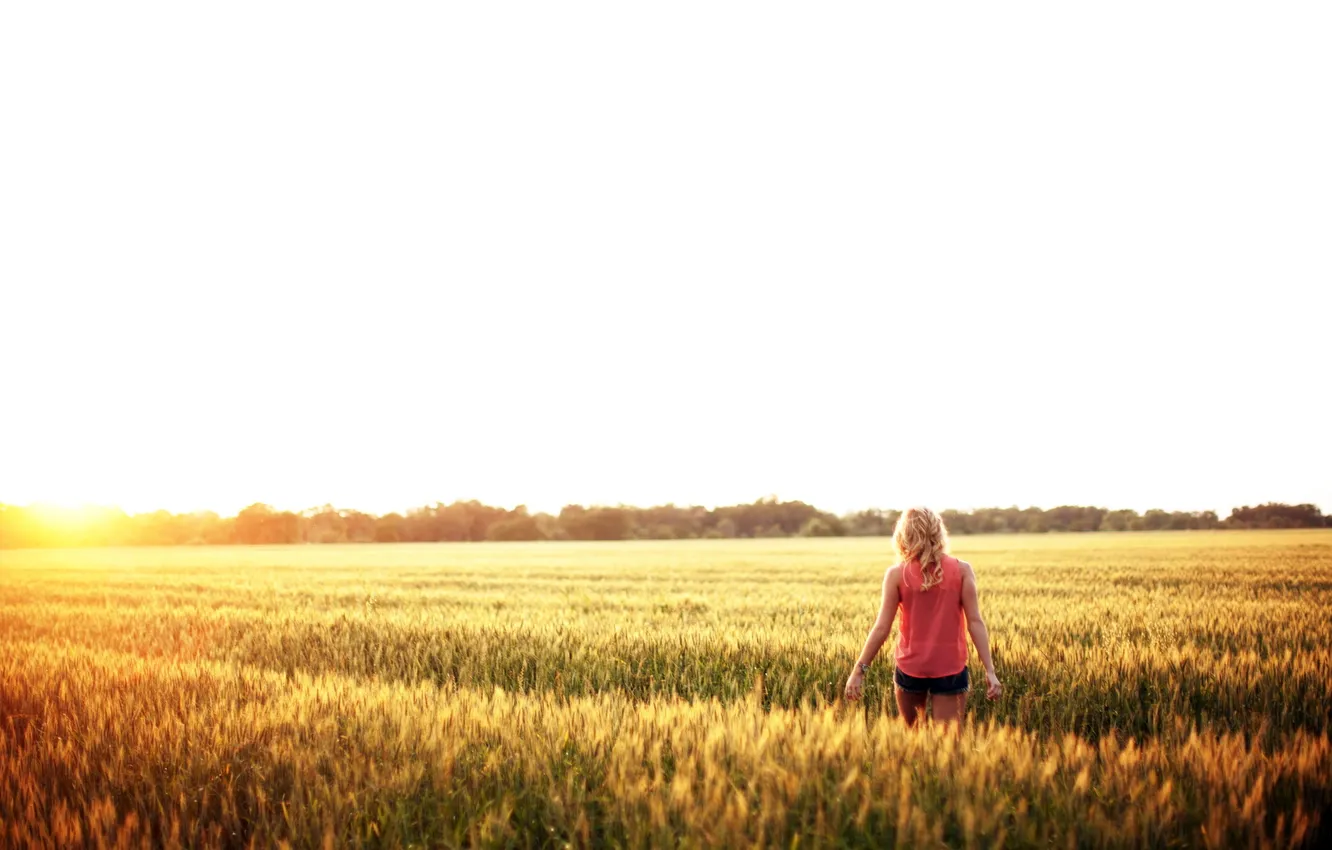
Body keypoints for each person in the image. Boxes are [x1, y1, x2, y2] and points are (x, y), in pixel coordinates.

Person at [843, 506, 1001, 726]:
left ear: (903, 535)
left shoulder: (896, 574)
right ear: (939, 532)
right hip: (950, 667)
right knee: (947, 747)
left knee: (913, 741)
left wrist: (858, 670)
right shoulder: (963, 570)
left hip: (910, 667)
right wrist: (990, 671)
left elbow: (881, 627)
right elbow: (975, 622)